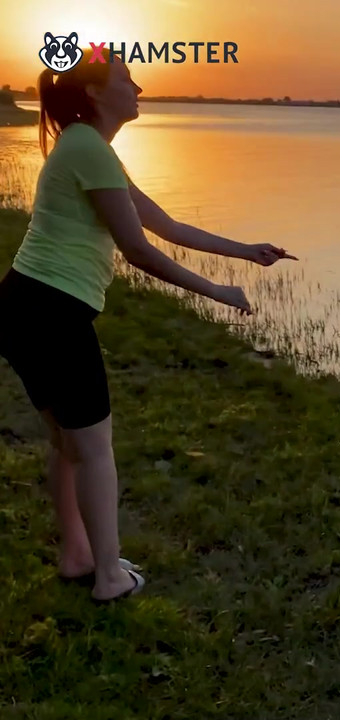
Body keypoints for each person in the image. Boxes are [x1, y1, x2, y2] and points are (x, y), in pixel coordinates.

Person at [0, 57, 296, 602]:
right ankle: (109, 578)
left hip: (24, 306)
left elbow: (165, 225)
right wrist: (218, 293)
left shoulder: (89, 146)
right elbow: (138, 251)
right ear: (94, 92)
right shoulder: (88, 147)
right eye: (125, 80)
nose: (138, 86)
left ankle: (77, 555)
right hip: (51, 311)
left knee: (68, 442)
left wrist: (246, 252)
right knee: (93, 448)